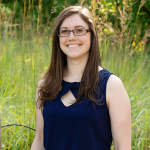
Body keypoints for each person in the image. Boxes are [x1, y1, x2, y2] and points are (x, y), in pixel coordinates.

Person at [31, 6, 131, 150]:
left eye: (79, 30)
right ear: (57, 37)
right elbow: (39, 141)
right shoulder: (45, 85)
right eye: (64, 31)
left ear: (92, 35)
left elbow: (123, 147)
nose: (71, 37)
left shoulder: (111, 86)